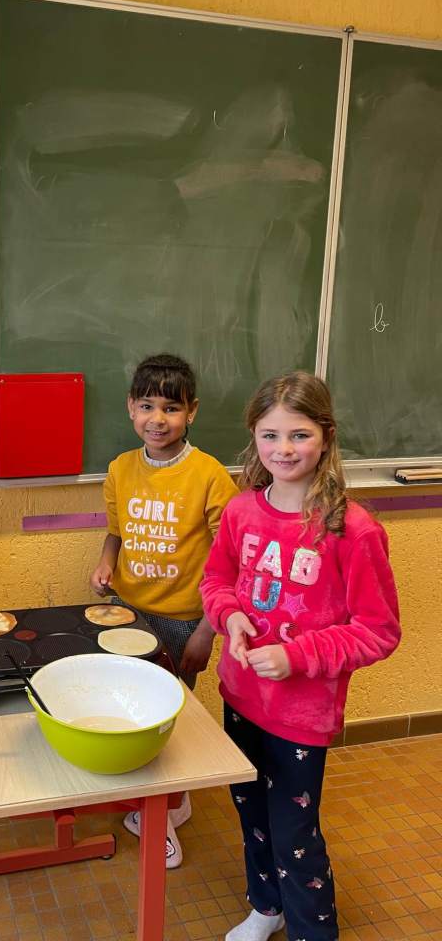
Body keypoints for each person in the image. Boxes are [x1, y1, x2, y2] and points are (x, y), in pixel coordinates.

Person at [201, 371, 400, 941]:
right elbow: (215, 581)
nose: (283, 449)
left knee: (294, 834)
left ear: (326, 436)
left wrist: (299, 656)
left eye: (299, 435)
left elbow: (379, 631)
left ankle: (314, 931)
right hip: (241, 697)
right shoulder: (241, 511)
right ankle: (267, 908)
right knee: (252, 817)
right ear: (253, 437)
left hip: (300, 717)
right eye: (270, 435)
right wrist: (230, 616)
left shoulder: (353, 529)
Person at [89, 353, 238, 867]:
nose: (158, 418)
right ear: (131, 408)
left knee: (164, 721)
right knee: (131, 713)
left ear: (191, 411)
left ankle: (161, 819)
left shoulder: (210, 475)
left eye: (171, 408)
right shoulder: (120, 469)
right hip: (127, 613)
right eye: (147, 406)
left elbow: (231, 562)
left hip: (183, 622)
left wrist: (206, 631)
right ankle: (172, 803)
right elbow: (116, 533)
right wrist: (105, 564)